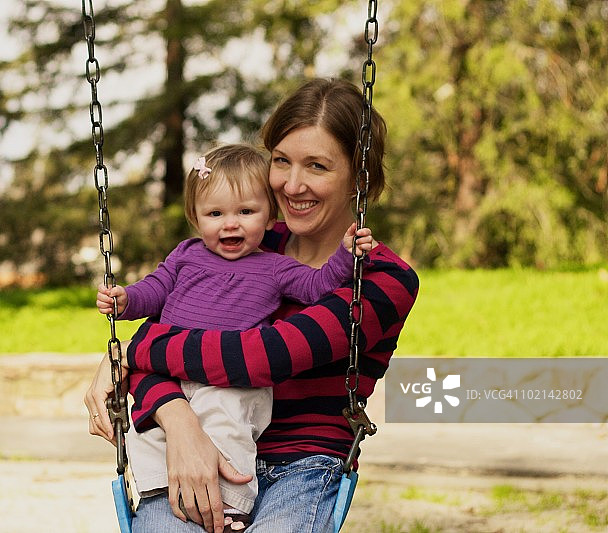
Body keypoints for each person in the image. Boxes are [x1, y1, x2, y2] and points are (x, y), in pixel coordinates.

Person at [86, 78, 419, 533]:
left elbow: (257, 358)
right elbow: (176, 329)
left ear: (358, 178)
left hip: (303, 469)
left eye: (317, 166)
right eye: (281, 161)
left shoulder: (380, 279)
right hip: (196, 443)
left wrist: (130, 353)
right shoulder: (242, 244)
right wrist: (178, 421)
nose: (293, 183)